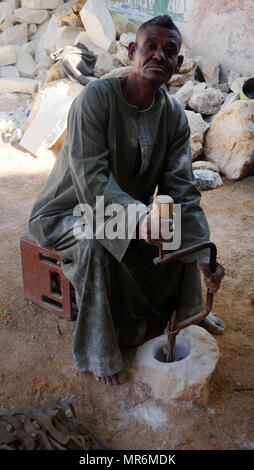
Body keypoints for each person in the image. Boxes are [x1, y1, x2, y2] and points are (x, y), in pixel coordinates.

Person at [29, 15, 225, 385]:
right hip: (71, 211)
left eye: (170, 51)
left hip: (124, 212)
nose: (159, 56)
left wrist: (204, 255)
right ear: (133, 51)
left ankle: (190, 310)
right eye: (150, 46)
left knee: (178, 226)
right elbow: (91, 181)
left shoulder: (174, 117)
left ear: (178, 65)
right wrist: (139, 218)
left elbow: (182, 191)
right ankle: (100, 351)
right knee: (99, 244)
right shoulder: (95, 100)